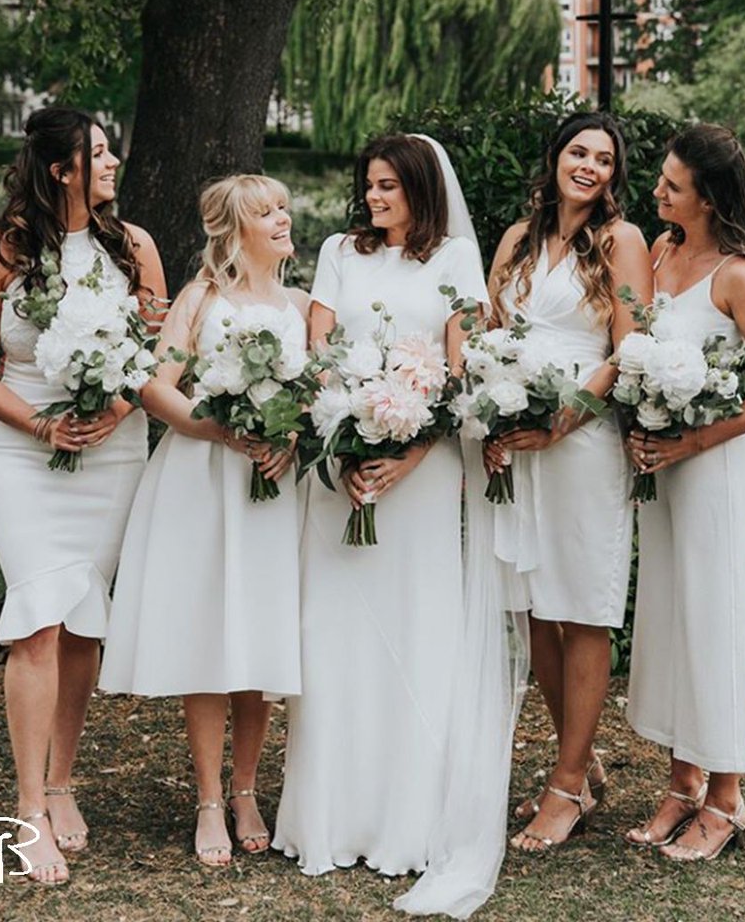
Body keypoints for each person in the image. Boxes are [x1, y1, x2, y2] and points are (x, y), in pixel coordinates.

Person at [272, 133, 491, 884]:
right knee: (334, 632)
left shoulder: (456, 260)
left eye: (389, 186)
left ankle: (410, 819)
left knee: (415, 623)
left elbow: (460, 371)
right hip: (342, 467)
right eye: (368, 184)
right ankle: (329, 816)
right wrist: (341, 443)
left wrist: (411, 454)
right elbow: (320, 352)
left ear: (421, 190)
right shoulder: (341, 251)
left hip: (421, 474)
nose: (373, 196)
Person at [0, 106, 165, 885]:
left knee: (82, 623)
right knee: (37, 620)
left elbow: (157, 350)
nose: (112, 164)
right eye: (98, 153)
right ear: (61, 169)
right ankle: (28, 811)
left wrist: (118, 411)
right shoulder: (2, 251)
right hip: (23, 452)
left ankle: (61, 782)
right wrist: (41, 424)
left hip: (113, 453)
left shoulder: (133, 247)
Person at [100, 175, 308, 867]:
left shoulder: (301, 305)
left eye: (283, 208)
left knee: (260, 635)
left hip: (271, 485)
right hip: (203, 479)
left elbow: (315, 395)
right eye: (266, 212)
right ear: (235, 229)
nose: (282, 219)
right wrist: (217, 428)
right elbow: (155, 385)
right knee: (209, 637)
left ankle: (247, 790)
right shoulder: (201, 297)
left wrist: (289, 436)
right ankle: (210, 800)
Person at [625, 123, 745, 860]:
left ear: (708, 198)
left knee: (714, 623)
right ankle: (683, 781)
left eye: (673, 186)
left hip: (715, 470)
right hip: (662, 472)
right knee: (672, 621)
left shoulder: (737, 275)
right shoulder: (659, 253)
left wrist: (694, 441)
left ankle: (725, 799)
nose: (657, 191)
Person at [483, 112, 652, 852]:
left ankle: (567, 783)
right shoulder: (517, 240)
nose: (589, 166)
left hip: (581, 442)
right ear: (555, 158)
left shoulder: (622, 241)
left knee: (582, 608)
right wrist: (491, 412)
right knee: (532, 607)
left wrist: (567, 418)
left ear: (615, 175)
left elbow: (629, 346)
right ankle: (576, 767)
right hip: (520, 440)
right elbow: (488, 330)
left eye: (604, 159)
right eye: (579, 152)